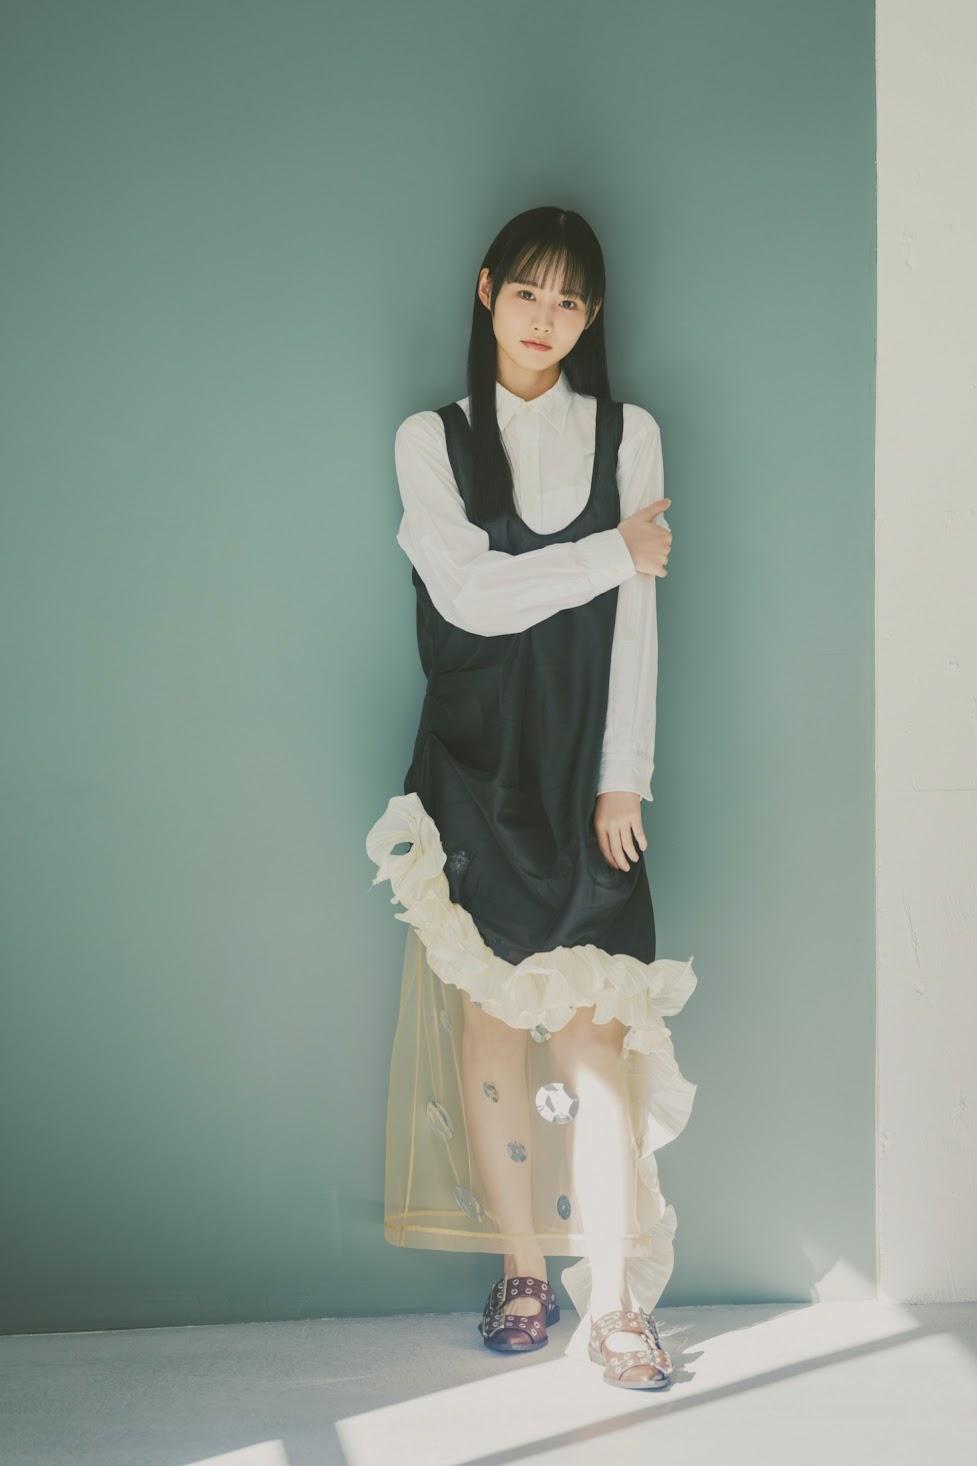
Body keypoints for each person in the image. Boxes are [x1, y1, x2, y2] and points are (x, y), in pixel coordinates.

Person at [366, 206, 697, 1390]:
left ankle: (612, 1298)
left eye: (568, 301)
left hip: (580, 773)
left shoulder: (627, 433)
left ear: (590, 315)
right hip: (469, 769)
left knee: (596, 1040)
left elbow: (637, 624)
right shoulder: (431, 439)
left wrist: (624, 775)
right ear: (486, 291)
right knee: (492, 1028)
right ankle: (519, 1266)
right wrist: (613, 551)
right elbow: (467, 596)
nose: (544, 319)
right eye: (526, 293)